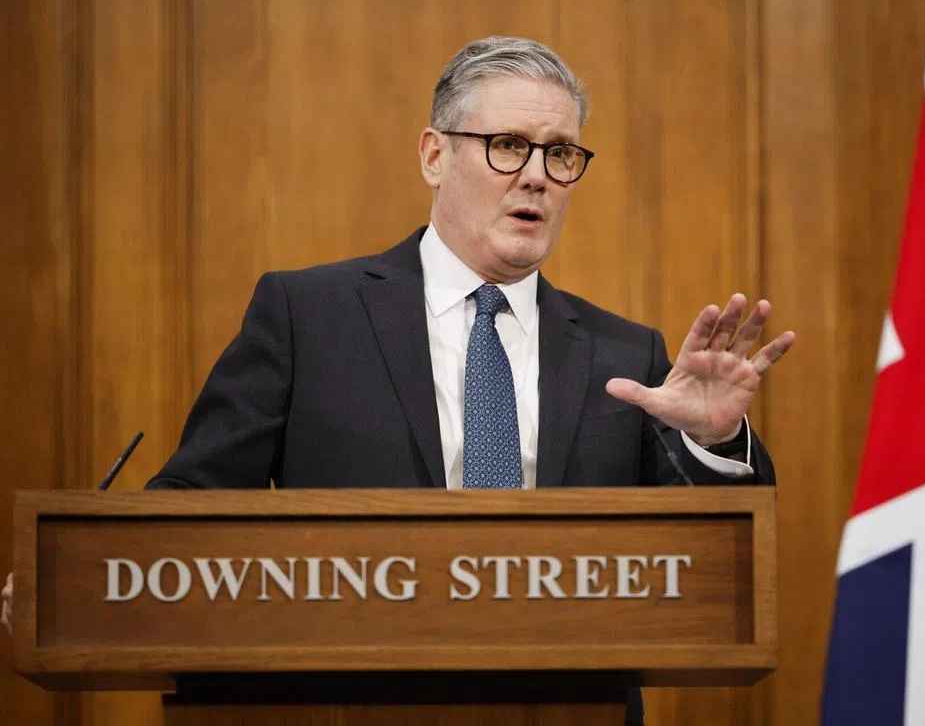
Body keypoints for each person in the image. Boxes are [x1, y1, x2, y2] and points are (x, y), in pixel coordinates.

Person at [3, 36, 794, 723]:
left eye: (561, 154)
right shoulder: (306, 315)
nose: (539, 177)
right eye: (509, 145)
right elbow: (194, 502)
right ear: (433, 154)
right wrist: (79, 578)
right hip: (330, 710)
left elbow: (706, 568)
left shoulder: (628, 354)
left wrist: (715, 437)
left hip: (565, 707)